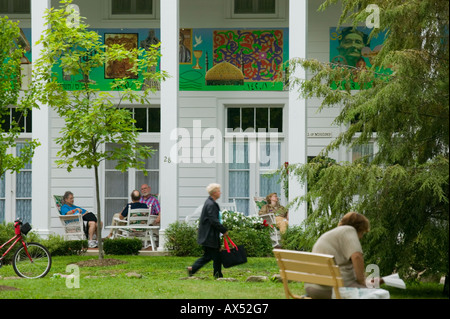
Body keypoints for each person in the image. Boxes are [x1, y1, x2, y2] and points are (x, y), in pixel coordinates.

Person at [304, 212, 372, 299]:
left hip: (312, 287)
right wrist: (362, 281)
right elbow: (357, 256)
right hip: (330, 288)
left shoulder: (331, 235)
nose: (361, 237)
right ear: (359, 228)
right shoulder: (349, 230)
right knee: (374, 293)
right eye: (362, 233)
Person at [187, 183, 228, 279]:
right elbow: (213, 220)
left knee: (214, 256)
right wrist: (223, 230)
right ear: (214, 193)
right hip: (209, 236)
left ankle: (217, 274)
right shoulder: (211, 204)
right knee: (211, 256)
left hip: (208, 235)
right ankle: (194, 269)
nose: (220, 193)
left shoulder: (209, 203)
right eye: (218, 191)